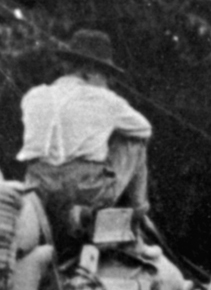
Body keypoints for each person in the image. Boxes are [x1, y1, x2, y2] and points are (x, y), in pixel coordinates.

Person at [17, 27, 153, 253]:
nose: (107, 83)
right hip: (85, 187)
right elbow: (144, 129)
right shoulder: (105, 99)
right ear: (90, 71)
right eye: (105, 75)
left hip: (37, 187)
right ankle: (137, 220)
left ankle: (71, 216)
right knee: (135, 141)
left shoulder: (34, 96)